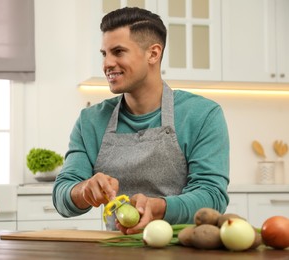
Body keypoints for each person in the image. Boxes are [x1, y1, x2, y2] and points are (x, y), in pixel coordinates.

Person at [52, 7, 229, 235]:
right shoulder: (91, 121)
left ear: (153, 54)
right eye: (104, 54)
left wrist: (159, 208)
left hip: (184, 248)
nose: (107, 64)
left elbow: (212, 196)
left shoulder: (203, 114)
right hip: (116, 249)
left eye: (118, 52)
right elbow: (61, 195)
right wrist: (85, 190)